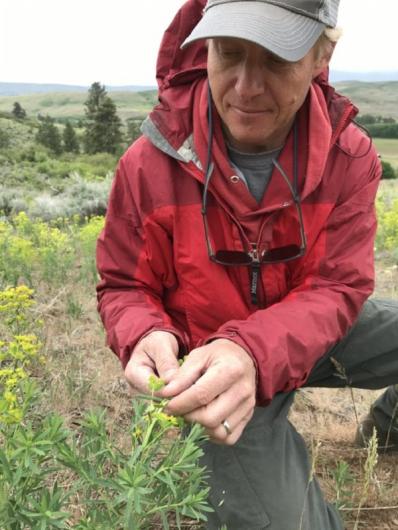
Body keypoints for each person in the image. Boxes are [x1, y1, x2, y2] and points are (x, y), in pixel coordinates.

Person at [96, 0, 398, 528]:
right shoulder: (149, 163)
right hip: (209, 370)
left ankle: (386, 430)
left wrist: (255, 349)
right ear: (204, 48)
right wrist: (142, 331)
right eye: (228, 54)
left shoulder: (349, 155)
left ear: (321, 56)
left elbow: (339, 286)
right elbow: (123, 284)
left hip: (311, 334)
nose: (246, 86)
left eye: (276, 61)